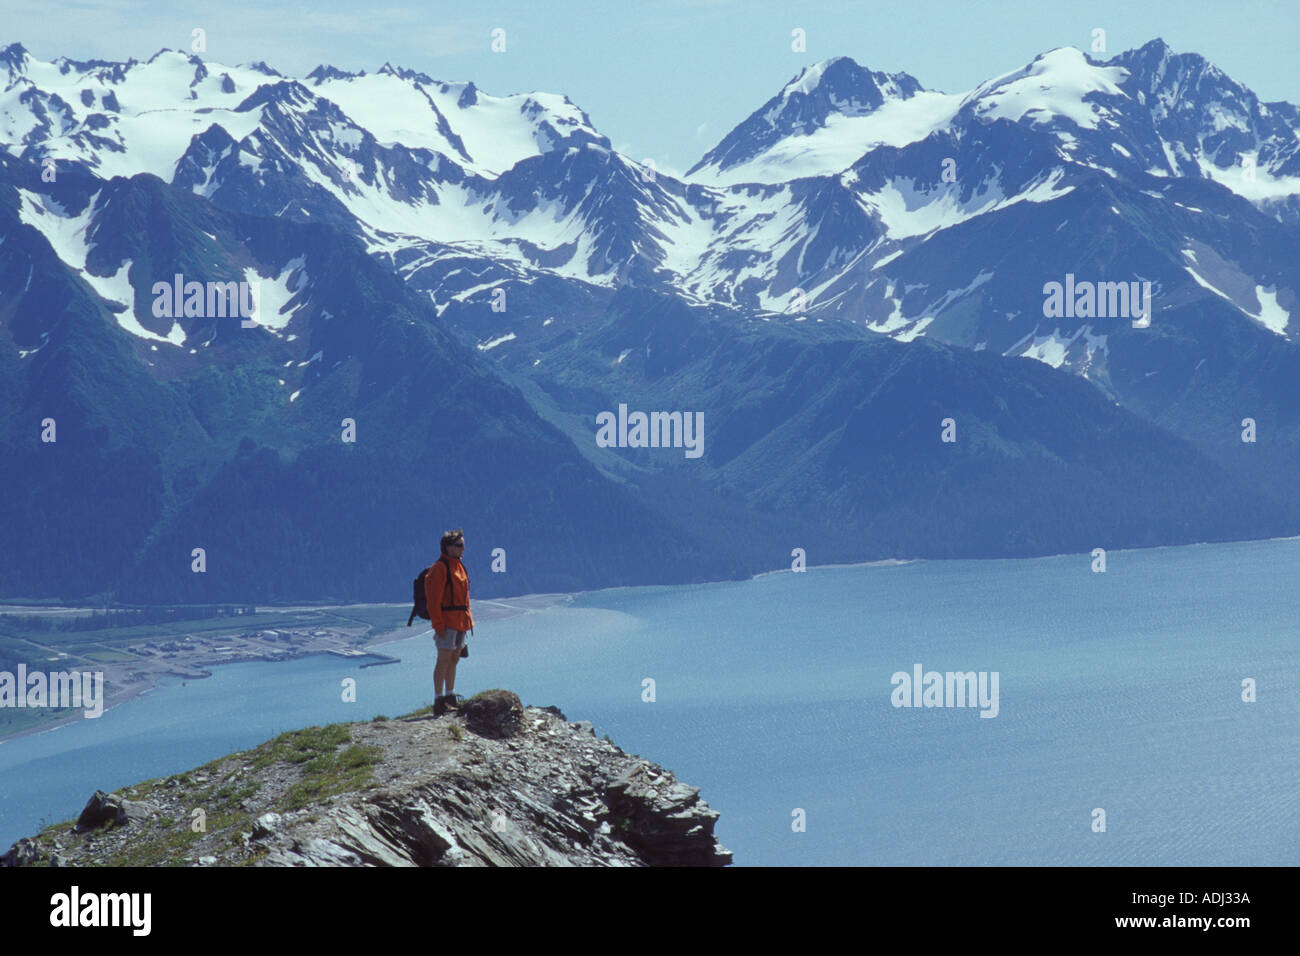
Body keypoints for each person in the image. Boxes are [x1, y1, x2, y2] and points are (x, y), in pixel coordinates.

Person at [428, 528, 473, 716]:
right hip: (447, 623)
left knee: (454, 659)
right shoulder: (439, 569)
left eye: (463, 545)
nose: (463, 548)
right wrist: (438, 626)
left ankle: (450, 695)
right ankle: (439, 700)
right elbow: (433, 600)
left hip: (460, 621)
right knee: (443, 659)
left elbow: (465, 597)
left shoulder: (459, 565)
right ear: (448, 547)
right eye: (459, 545)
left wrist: (468, 620)